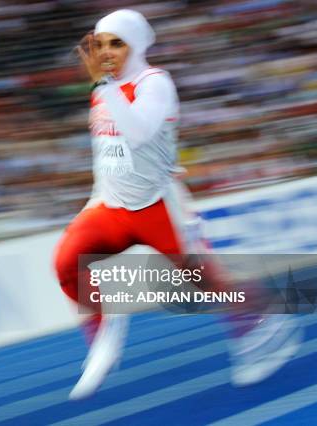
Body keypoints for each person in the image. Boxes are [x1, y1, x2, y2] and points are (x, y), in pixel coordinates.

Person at [53, 9, 302, 400]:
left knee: (205, 284)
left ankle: (260, 320)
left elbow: (137, 133)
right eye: (100, 43)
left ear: (136, 46)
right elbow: (110, 152)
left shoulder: (156, 82)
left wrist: (102, 84)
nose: (106, 52)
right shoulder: (104, 90)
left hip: (158, 206)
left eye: (117, 43)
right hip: (111, 206)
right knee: (67, 262)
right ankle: (101, 338)